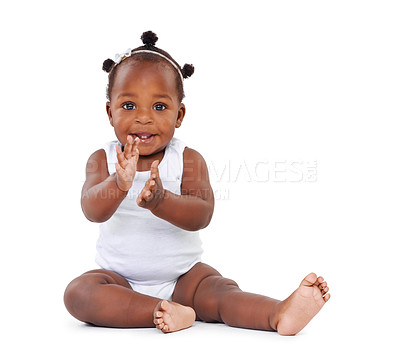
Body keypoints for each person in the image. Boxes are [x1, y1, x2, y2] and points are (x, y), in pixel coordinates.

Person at [64, 31, 330, 335]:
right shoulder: (103, 159)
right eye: (128, 106)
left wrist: (161, 201)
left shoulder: (188, 159)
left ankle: (278, 313)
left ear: (180, 115)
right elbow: (91, 210)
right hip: (119, 280)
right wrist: (118, 183)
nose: (144, 118)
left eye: (160, 107)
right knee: (78, 294)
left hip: (184, 279)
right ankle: (160, 311)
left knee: (220, 293)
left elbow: (202, 214)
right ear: (109, 112)